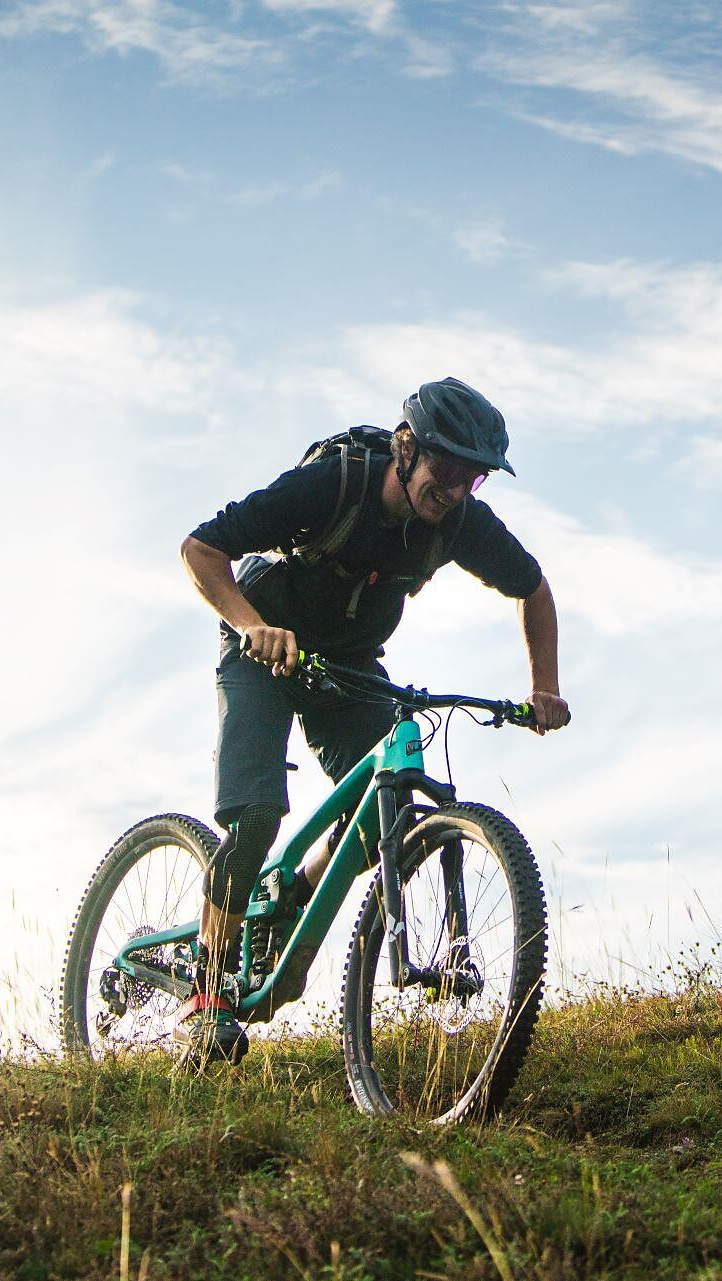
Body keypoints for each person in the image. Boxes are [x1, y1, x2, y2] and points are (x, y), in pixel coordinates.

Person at [177, 377, 570, 1063]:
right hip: (264, 644)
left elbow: (533, 588)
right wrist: (253, 626)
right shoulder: (332, 486)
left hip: (350, 663)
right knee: (257, 815)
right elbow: (202, 548)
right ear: (408, 449)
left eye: (471, 479)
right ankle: (208, 985)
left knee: (385, 803)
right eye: (445, 469)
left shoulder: (457, 525)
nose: (453, 490)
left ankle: (291, 895)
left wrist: (544, 686)